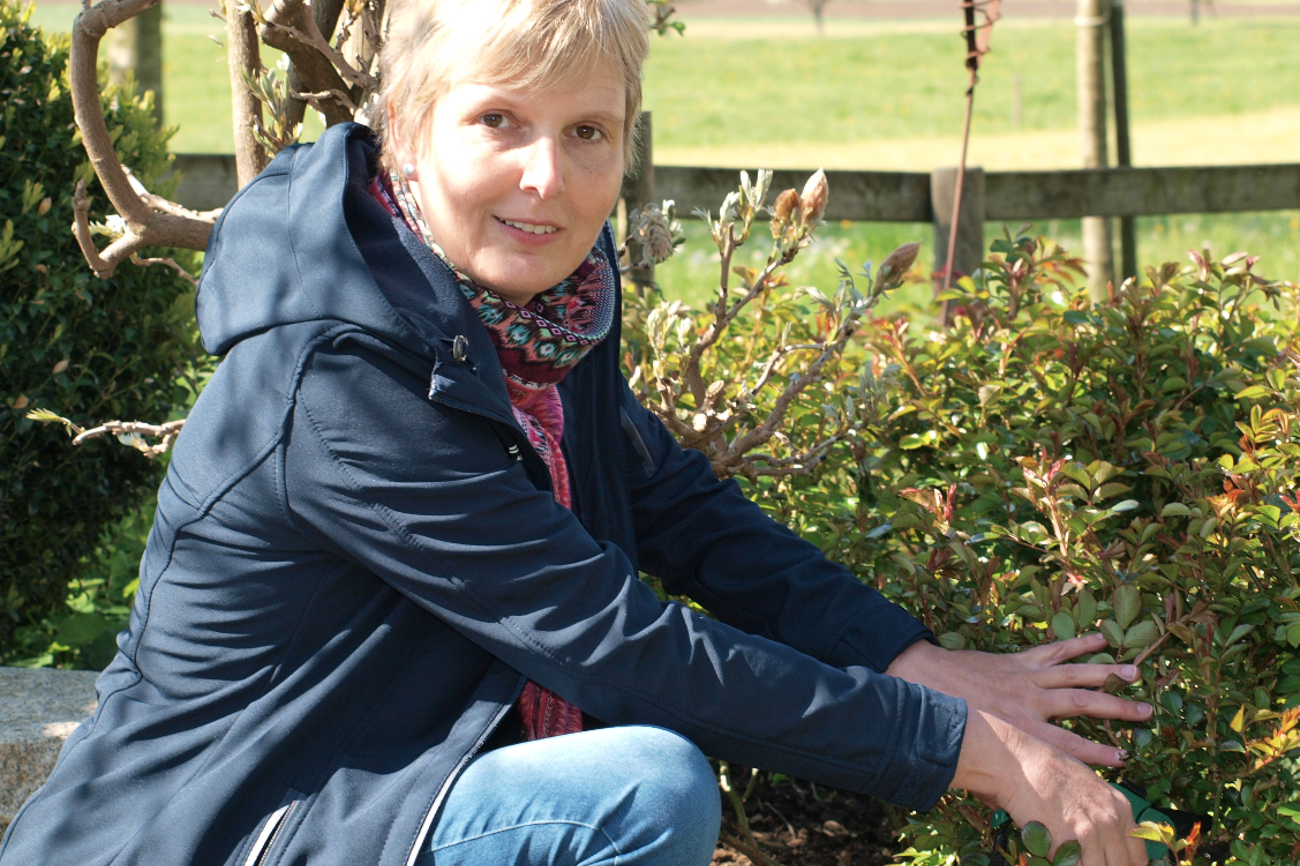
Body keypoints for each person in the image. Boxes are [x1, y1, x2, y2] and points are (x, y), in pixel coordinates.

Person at [0, 1, 1153, 865]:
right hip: (210, 831)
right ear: (404, 128)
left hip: (366, 805)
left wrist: (908, 658)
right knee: (641, 787)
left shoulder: (534, 313)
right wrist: (963, 746)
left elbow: (675, 507)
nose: (546, 179)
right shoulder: (335, 383)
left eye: (588, 131)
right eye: (497, 119)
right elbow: (616, 641)